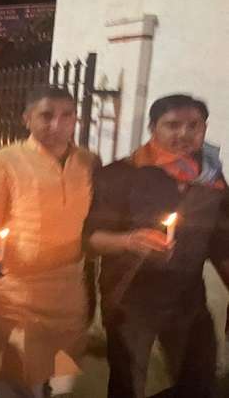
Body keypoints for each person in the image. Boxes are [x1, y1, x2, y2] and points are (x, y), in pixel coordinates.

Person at [84, 94, 229, 398]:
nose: (184, 134)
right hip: (130, 300)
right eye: (172, 125)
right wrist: (128, 241)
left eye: (194, 125)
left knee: (199, 380)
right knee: (129, 383)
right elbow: (91, 238)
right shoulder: (120, 174)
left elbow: (220, 239)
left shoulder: (210, 178)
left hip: (188, 298)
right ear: (153, 128)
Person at [0, 86, 96, 398]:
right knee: (18, 377)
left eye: (67, 115)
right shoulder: (2, 161)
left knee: (63, 374)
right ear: (27, 119)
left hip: (68, 286)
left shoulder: (89, 162)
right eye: (46, 116)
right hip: (16, 289)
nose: (57, 124)